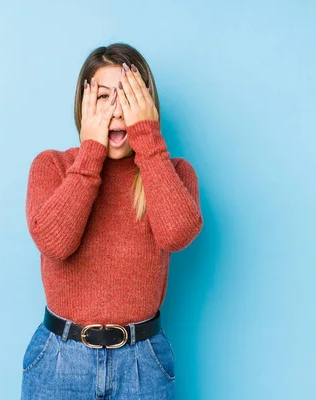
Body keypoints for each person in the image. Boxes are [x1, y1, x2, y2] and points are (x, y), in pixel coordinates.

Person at [21, 42, 203, 399]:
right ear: (83, 105)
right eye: (104, 97)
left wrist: (149, 140)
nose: (117, 110)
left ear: (147, 105)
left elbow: (178, 234)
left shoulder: (173, 173)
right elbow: (55, 244)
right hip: (60, 359)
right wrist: (91, 152)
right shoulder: (53, 166)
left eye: (129, 96)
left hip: (143, 362)